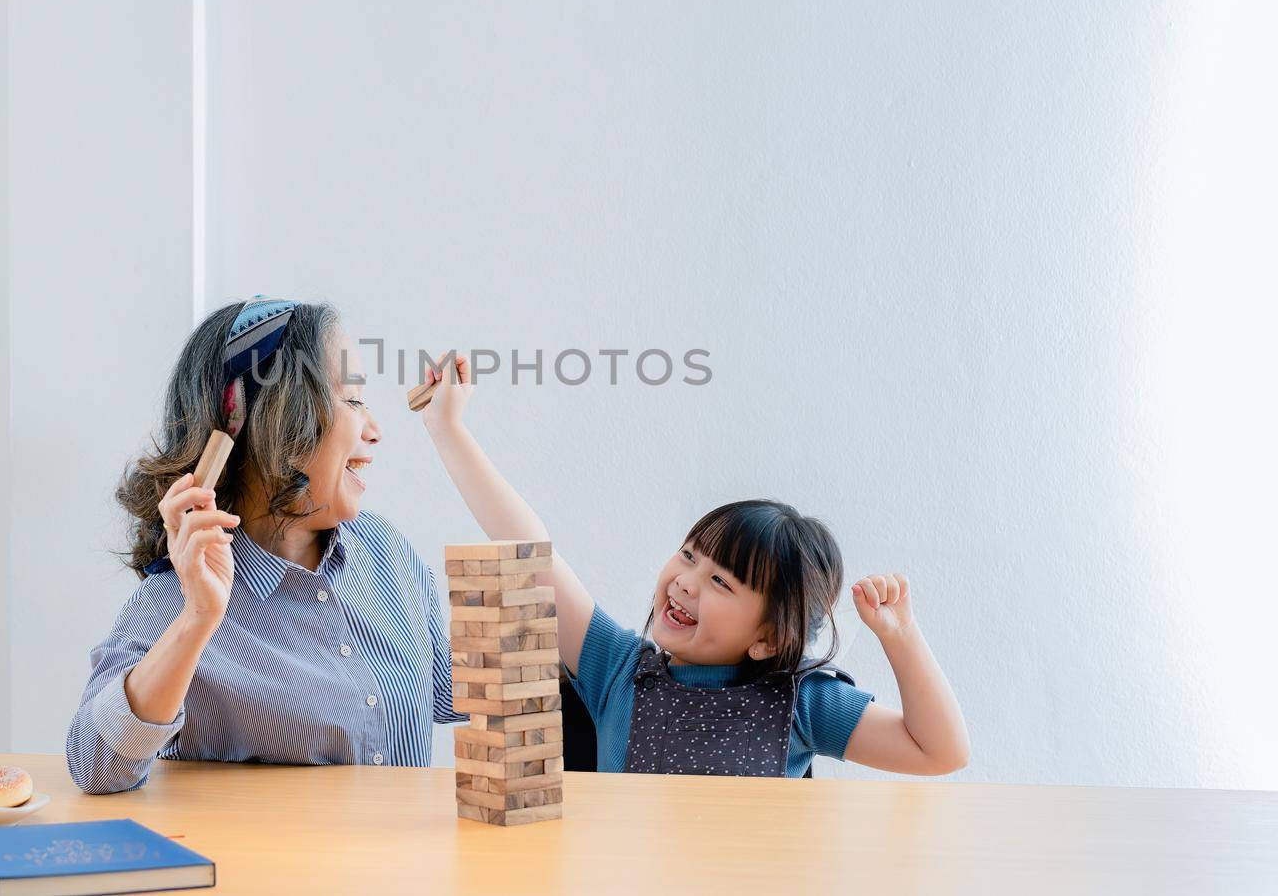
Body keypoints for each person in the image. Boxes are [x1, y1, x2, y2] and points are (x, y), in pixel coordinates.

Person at [421, 354, 969, 778]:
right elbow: (529, 549)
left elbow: (940, 752)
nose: (685, 582)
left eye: (720, 581)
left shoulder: (802, 704)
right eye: (689, 555)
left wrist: (902, 637)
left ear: (769, 637)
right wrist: (449, 431)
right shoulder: (617, 668)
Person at [66, 298, 461, 794]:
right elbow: (97, 766)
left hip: (403, 870)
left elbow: (445, 686)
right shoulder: (178, 601)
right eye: (354, 401)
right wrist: (197, 621)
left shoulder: (386, 552)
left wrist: (568, 650)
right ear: (282, 418)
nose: (376, 431)